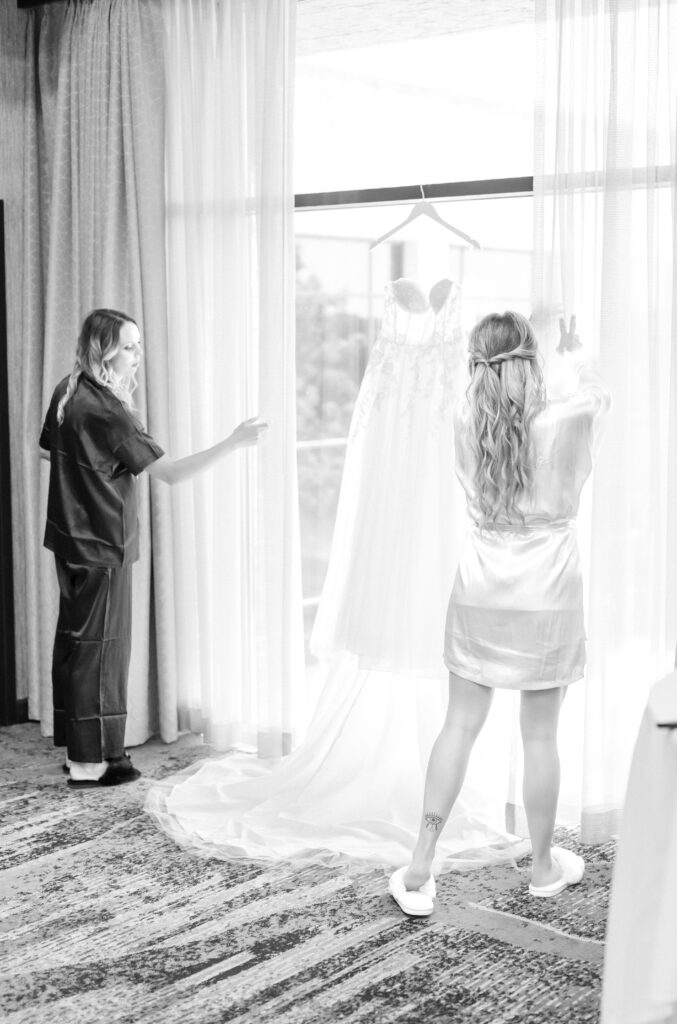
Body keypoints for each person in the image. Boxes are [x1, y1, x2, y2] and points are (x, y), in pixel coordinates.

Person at [388, 311, 610, 916]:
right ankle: (542, 867)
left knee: (458, 724)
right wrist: (575, 349)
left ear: (477, 365)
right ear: (529, 360)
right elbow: (599, 393)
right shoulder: (564, 417)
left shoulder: (467, 418)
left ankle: (421, 861)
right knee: (540, 734)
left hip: (480, 588)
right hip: (549, 593)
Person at [39, 308, 267, 788]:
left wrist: (87, 474)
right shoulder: (107, 410)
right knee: (99, 651)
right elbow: (169, 474)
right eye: (129, 346)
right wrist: (232, 442)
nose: (138, 355)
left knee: (78, 646)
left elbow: (47, 450)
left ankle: (86, 751)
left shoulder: (67, 390)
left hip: (69, 538)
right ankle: (90, 762)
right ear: (105, 351)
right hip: (102, 544)